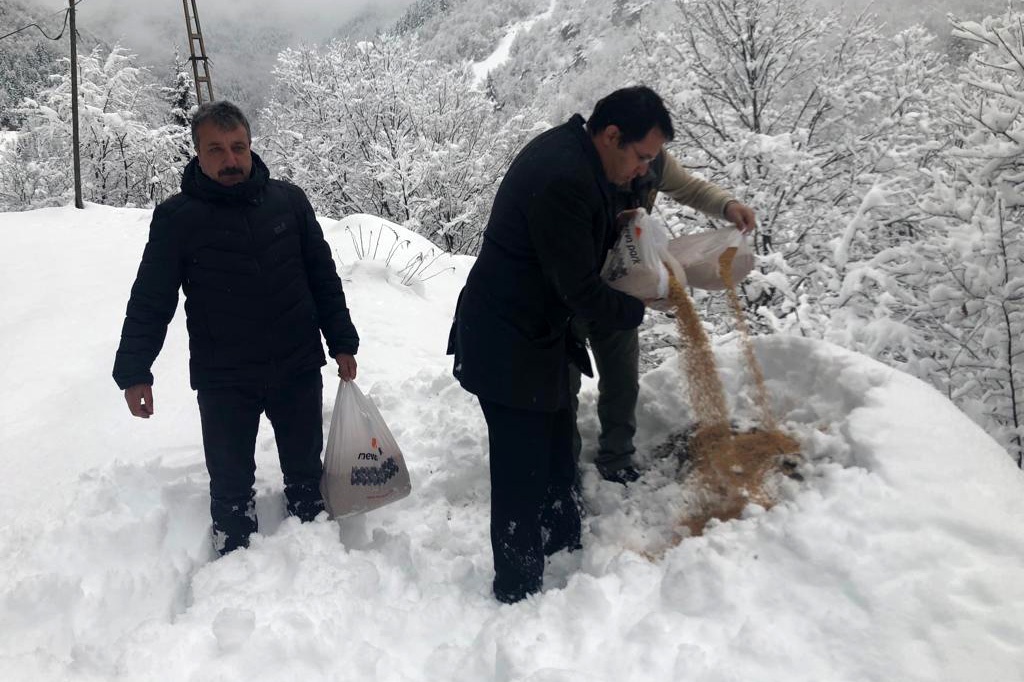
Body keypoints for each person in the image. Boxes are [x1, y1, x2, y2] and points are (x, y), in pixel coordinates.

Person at [447, 86, 674, 603]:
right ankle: (518, 587)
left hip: (540, 335)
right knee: (520, 469)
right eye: (642, 157)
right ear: (612, 136)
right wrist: (642, 305)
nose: (645, 170)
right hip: (507, 341)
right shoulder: (564, 178)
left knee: (554, 446)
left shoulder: (583, 158)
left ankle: (563, 543)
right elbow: (580, 288)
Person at [112, 101, 359, 555]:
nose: (230, 160)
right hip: (224, 375)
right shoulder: (177, 218)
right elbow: (151, 298)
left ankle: (316, 555)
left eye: (238, 147)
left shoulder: (289, 202)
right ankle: (231, 562)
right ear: (197, 153)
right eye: (216, 149)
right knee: (229, 487)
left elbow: (322, 277)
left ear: (250, 146)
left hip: (296, 363)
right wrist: (134, 370)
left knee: (306, 475)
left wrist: (342, 340)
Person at [571, 149, 756, 484]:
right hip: (574, 291)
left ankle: (617, 458)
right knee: (563, 382)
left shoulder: (654, 161)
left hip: (622, 288)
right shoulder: (582, 165)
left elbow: (690, 188)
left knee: (622, 378)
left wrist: (728, 206)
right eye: (639, 157)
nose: (643, 166)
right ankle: (563, 464)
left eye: (650, 156)